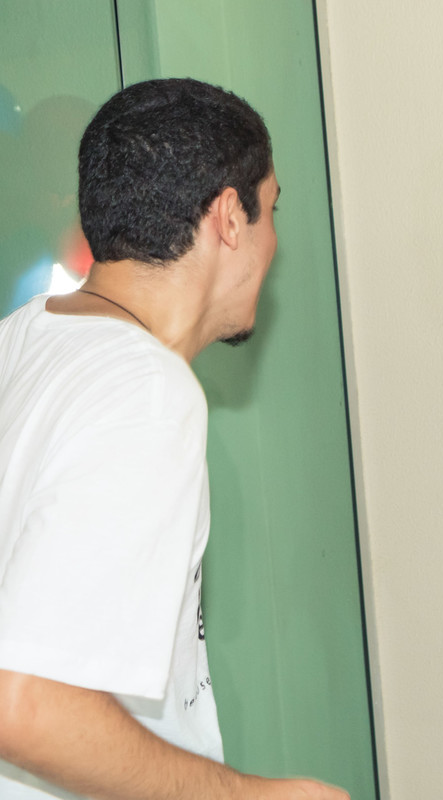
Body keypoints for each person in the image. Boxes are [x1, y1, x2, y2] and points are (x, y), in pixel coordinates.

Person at [0, 78, 346, 800]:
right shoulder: (146, 393)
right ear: (229, 216)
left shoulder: (24, 339)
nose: (274, 242)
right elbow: (24, 703)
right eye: (270, 209)